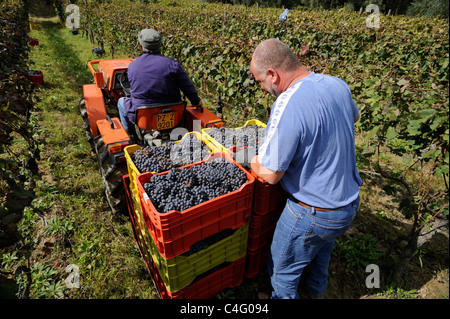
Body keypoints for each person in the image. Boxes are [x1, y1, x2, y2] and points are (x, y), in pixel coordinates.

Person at [249, 39, 362, 299]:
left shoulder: (288, 101)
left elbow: (271, 174)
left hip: (313, 213)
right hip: (348, 205)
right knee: (320, 253)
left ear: (273, 75)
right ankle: (316, 292)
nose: (263, 89)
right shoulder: (336, 83)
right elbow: (353, 117)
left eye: (260, 82)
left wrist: (254, 160)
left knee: (282, 271)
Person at [117, 28, 203, 133]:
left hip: (144, 118)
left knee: (121, 102)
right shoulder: (173, 64)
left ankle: (129, 133)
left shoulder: (133, 66)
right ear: (160, 46)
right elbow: (187, 87)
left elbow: (133, 90)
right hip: (174, 113)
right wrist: (196, 102)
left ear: (140, 46)